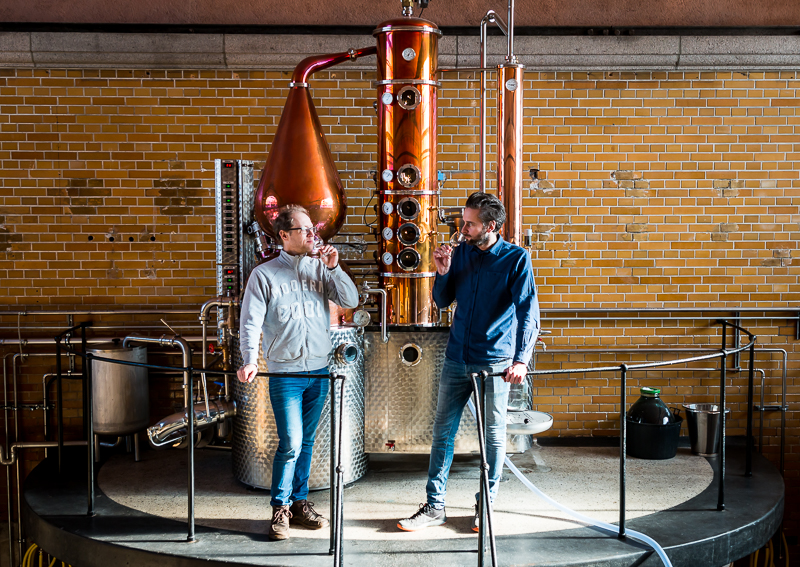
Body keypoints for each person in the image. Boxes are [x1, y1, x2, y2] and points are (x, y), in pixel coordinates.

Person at [397, 191, 540, 532]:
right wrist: (442, 271)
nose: (463, 228)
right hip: (456, 358)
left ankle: (485, 505)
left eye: (470, 223)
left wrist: (521, 360)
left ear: (491, 226)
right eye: (464, 221)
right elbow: (443, 301)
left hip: (493, 363)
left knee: (492, 436)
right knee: (442, 434)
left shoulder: (516, 259)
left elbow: (529, 313)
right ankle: (434, 507)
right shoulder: (459, 254)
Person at [237, 204, 359, 541]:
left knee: (305, 442)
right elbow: (250, 322)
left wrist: (334, 268)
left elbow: (351, 299)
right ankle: (280, 507)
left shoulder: (320, 269)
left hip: (319, 370)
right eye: (304, 230)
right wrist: (249, 360)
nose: (312, 234)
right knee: (290, 441)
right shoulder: (264, 275)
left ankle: (300, 503)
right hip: (285, 374)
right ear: (284, 236)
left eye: (312, 229)